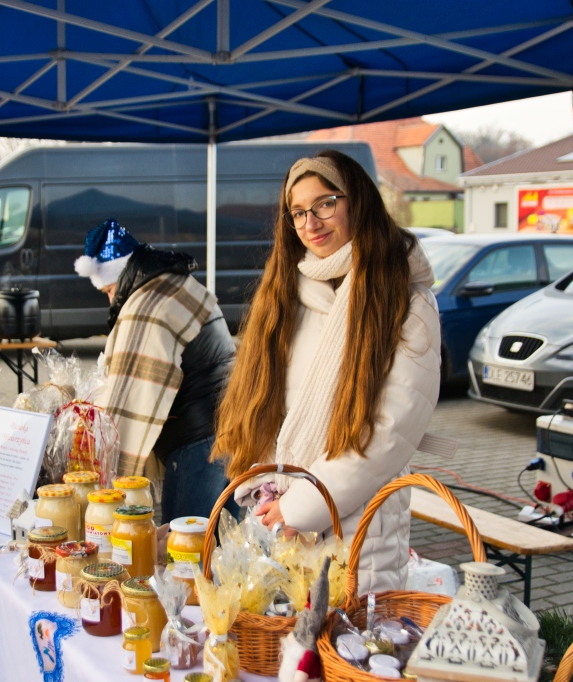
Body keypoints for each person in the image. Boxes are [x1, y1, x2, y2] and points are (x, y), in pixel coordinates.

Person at [211, 150, 441, 594]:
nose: (310, 222)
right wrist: (265, 487)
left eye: (325, 203)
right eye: (298, 211)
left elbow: (388, 431)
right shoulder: (287, 293)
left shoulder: (405, 302)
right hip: (283, 526)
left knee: (345, 650)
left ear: (358, 202)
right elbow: (265, 403)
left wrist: (300, 508)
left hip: (358, 530)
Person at [74, 220, 237, 522]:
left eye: (109, 290)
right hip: (233, 427)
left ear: (118, 276)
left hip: (197, 444)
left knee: (185, 553)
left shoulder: (143, 307)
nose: (110, 299)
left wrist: (103, 471)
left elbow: (129, 397)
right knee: (229, 548)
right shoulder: (174, 280)